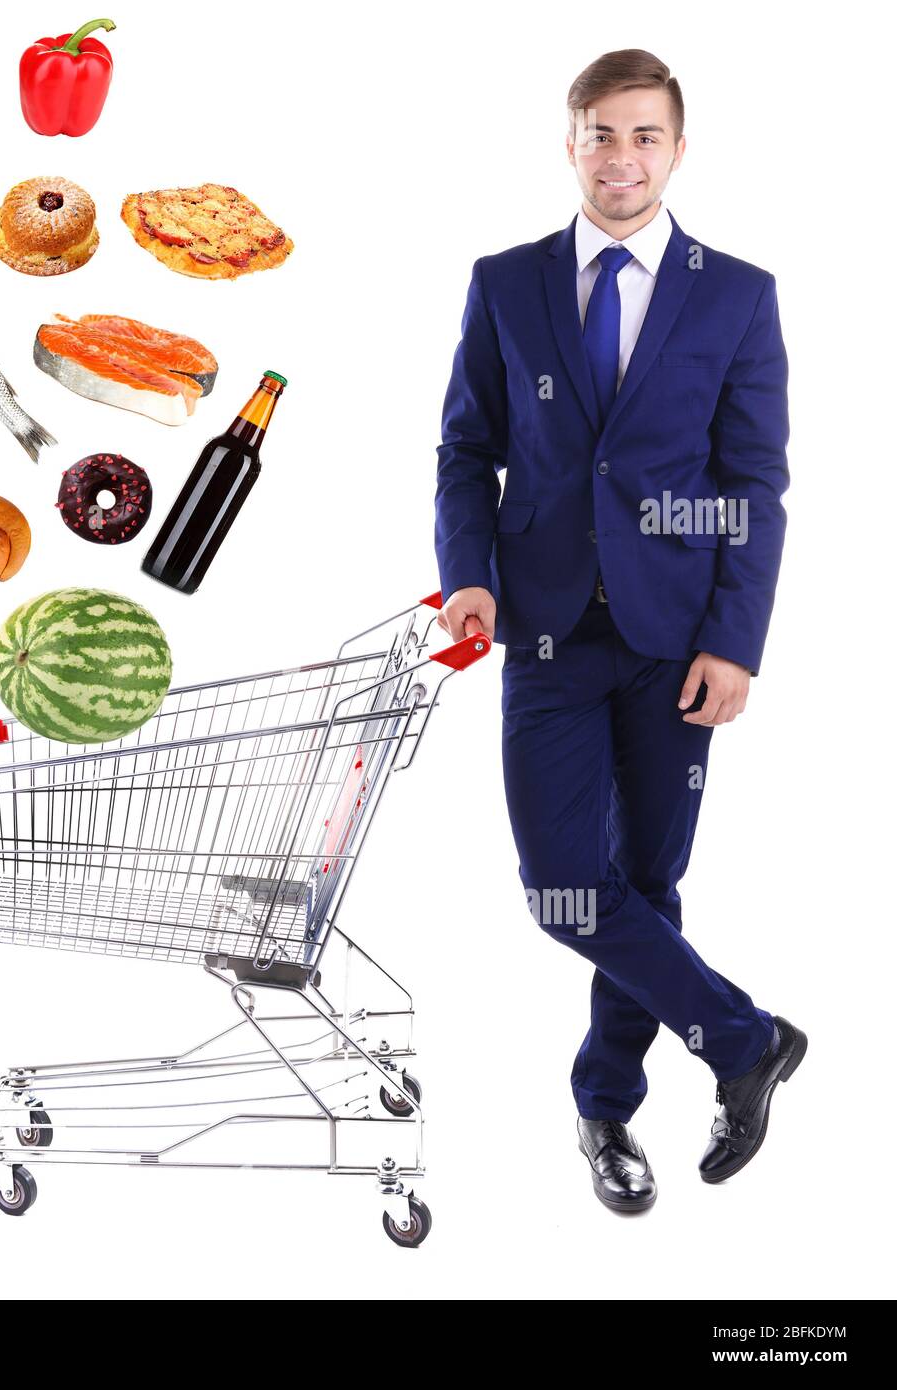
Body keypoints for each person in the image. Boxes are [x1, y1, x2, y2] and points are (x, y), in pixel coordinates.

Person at [433, 48, 806, 1212]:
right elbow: (464, 453)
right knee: (564, 886)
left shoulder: (737, 294)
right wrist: (468, 576)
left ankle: (605, 1113)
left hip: (674, 638)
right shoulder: (507, 283)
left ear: (677, 150)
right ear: (570, 143)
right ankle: (743, 1042)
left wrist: (734, 642)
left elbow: (751, 481)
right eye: (601, 132)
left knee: (646, 881)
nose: (622, 156)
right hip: (541, 632)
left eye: (645, 135)